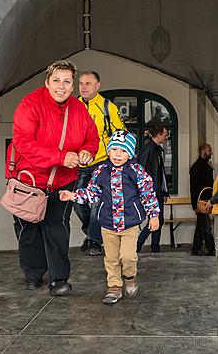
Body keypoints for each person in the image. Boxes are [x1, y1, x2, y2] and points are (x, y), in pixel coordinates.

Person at [7, 60, 99, 296]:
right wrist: (60, 157)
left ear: (72, 86)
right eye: (56, 80)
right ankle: (33, 273)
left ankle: (59, 278)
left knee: (57, 227)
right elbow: (23, 143)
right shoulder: (30, 104)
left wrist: (87, 150)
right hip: (31, 179)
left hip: (63, 181)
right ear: (47, 82)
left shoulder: (79, 110)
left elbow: (92, 137)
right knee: (29, 228)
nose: (62, 86)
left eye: (67, 81)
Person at [60, 130, 159, 305]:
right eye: (114, 150)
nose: (118, 155)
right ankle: (114, 287)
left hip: (130, 223)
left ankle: (129, 277)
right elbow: (92, 193)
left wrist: (153, 215)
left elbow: (148, 194)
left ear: (130, 153)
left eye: (123, 151)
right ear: (108, 151)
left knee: (128, 256)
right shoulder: (101, 171)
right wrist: (73, 196)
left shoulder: (136, 171)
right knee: (111, 258)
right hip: (107, 223)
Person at [76, 71, 125, 256]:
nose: (83, 87)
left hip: (101, 162)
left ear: (98, 85)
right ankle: (92, 234)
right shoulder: (72, 106)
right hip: (77, 164)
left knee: (97, 203)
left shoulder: (107, 107)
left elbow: (121, 134)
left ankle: (94, 241)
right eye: (81, 83)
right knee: (77, 203)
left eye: (88, 83)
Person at [137, 125, 169, 253]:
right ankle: (140, 245)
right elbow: (141, 170)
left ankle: (153, 247)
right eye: (165, 134)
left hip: (156, 190)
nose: (166, 137)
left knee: (158, 220)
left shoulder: (155, 149)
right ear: (159, 134)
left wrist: (164, 191)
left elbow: (159, 173)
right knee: (157, 219)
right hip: (152, 191)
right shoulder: (150, 149)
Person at [189, 144, 215, 256]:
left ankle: (196, 248)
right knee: (206, 226)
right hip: (201, 202)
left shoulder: (204, 165)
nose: (211, 153)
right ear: (203, 151)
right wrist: (195, 205)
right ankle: (212, 248)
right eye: (209, 151)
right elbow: (193, 188)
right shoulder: (197, 167)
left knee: (201, 226)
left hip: (206, 200)